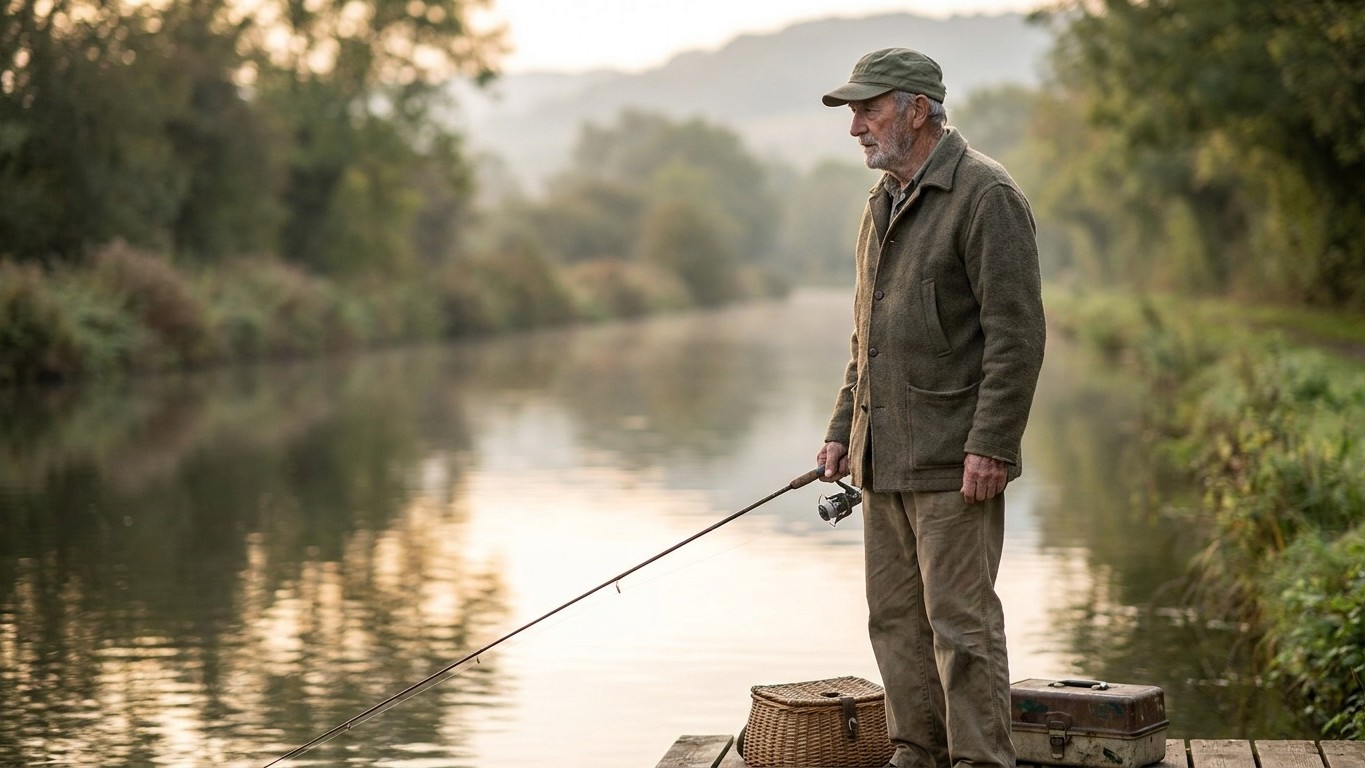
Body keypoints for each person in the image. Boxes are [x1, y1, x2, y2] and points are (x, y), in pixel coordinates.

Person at [815, 48, 1046, 768]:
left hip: (955, 458)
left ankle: (979, 761)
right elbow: (867, 337)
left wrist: (992, 446)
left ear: (918, 110)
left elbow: (1016, 337)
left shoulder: (986, 195)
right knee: (893, 621)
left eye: (868, 107)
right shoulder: (879, 200)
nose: (855, 125)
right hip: (881, 456)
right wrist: (839, 432)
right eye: (853, 111)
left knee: (961, 627)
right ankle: (916, 753)